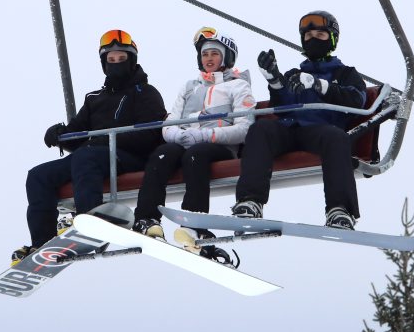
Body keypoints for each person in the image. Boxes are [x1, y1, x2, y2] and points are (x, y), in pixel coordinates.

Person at [13, 29, 167, 264]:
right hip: (94, 157)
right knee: (38, 176)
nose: (116, 64)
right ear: (104, 64)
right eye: (111, 60)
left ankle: (90, 223)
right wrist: (59, 135)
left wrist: (103, 141)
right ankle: (42, 241)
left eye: (121, 59)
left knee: (86, 156)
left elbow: (152, 133)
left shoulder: (145, 92)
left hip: (129, 157)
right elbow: (76, 133)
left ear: (132, 60)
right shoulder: (95, 98)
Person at [231, 10, 366, 230]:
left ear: (332, 40)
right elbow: (283, 108)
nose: (313, 39)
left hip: (321, 131)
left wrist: (318, 84)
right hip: (290, 129)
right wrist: (275, 80)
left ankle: (340, 210)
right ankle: (250, 201)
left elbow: (356, 100)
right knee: (261, 129)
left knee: (336, 138)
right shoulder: (295, 73)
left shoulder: (345, 73)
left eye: (321, 35)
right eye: (309, 35)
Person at [132, 28, 255, 256]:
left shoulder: (238, 86)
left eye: (214, 54)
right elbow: (170, 122)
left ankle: (193, 223)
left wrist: (205, 135)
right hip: (186, 144)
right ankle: (147, 219)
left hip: (220, 147)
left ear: (226, 57)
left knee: (195, 155)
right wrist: (176, 135)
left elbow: (244, 128)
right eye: (205, 54)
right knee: (162, 153)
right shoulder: (190, 87)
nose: (208, 59)